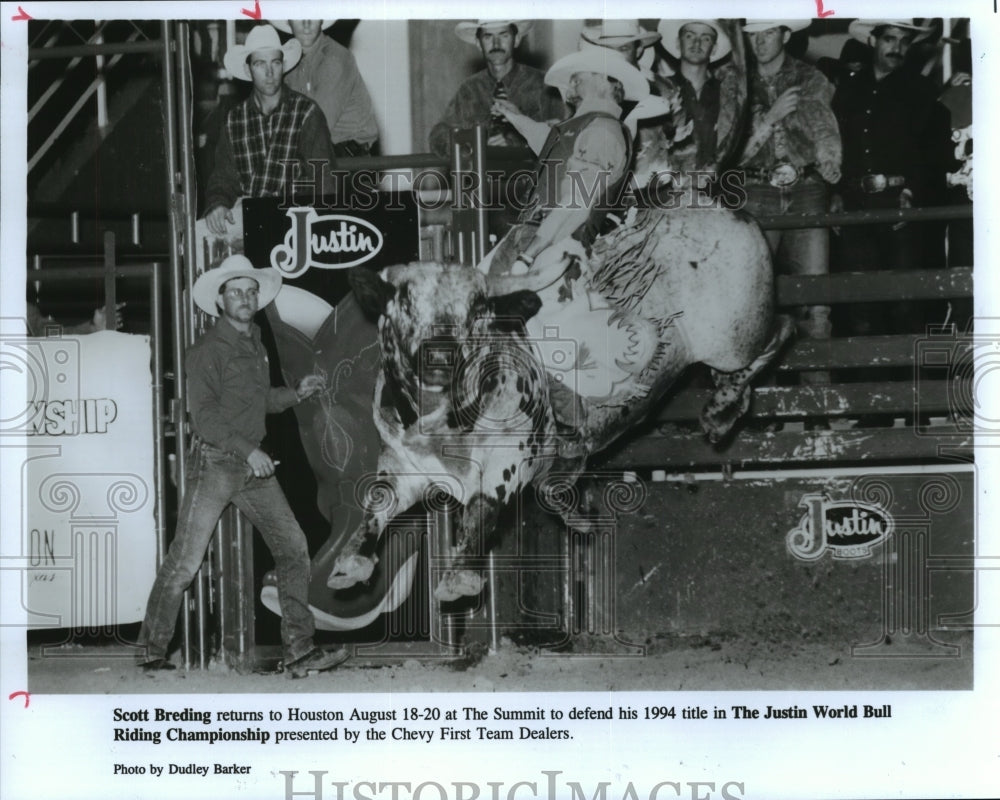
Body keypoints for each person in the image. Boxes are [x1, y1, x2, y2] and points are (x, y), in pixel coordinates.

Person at [138, 255, 347, 678]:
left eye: (251, 292)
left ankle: (300, 652)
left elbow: (261, 402)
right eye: (237, 292)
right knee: (185, 561)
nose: (246, 298)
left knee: (293, 547)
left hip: (251, 465)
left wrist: (296, 393)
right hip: (217, 463)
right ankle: (151, 649)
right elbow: (205, 417)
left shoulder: (254, 345)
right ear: (220, 300)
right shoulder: (206, 351)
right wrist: (249, 451)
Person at [484, 50, 658, 444]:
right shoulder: (592, 128)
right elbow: (552, 143)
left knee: (527, 332)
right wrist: (514, 116)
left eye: (577, 76)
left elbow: (575, 203)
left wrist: (531, 252)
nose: (570, 83)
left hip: (552, 242)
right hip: (542, 237)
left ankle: (562, 426)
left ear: (601, 78)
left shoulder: (600, 132)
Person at [737, 20, 841, 384]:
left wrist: (830, 158)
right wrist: (771, 117)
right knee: (755, 300)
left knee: (816, 300)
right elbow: (733, 154)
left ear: (785, 34)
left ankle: (817, 403)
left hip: (806, 188)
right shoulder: (735, 81)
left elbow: (823, 125)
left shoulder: (810, 78)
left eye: (767, 33)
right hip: (755, 189)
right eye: (752, 35)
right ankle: (761, 406)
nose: (759, 41)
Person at [832, 19, 942, 336]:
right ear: (873, 42)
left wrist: (911, 192)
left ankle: (908, 385)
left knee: (905, 303)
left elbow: (930, 151)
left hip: (899, 206)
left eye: (904, 41)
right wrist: (835, 193)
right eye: (889, 39)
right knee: (859, 306)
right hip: (855, 207)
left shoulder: (921, 90)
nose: (897, 48)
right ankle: (866, 385)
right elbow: (835, 145)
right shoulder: (848, 90)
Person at [204, 24, 336, 236]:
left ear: (283, 66)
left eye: (275, 63)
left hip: (296, 222)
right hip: (250, 222)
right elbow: (223, 179)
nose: (269, 72)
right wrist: (218, 205)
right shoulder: (234, 121)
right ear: (248, 70)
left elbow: (324, 184)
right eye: (259, 64)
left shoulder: (307, 114)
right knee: (206, 241)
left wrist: (322, 229)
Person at [428, 20, 565, 157]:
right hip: (482, 176)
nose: (496, 44)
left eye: (503, 35)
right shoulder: (469, 89)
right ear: (478, 44)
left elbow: (564, 134)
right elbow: (439, 136)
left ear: (516, 40)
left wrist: (517, 142)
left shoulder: (544, 84)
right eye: (488, 37)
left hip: (532, 175)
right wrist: (474, 145)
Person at [271, 20, 379, 157]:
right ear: (289, 21)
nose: (306, 23)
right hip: (321, 155)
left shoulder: (336, 58)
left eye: (313, 15)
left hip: (348, 158)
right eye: (299, 16)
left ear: (321, 19)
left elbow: (315, 126)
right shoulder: (291, 64)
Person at [653, 19, 741, 174]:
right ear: (678, 43)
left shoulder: (728, 96)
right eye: (689, 36)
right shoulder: (658, 92)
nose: (697, 43)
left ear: (714, 49)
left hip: (717, 190)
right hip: (670, 191)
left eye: (706, 38)